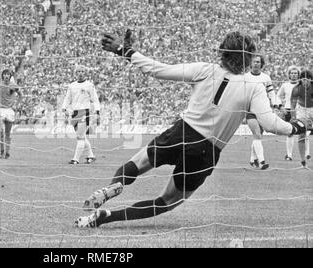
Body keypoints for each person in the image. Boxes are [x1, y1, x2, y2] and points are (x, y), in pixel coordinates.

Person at [74, 30, 306, 228]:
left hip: (180, 132)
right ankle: (105, 217)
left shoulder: (205, 69)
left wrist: (125, 50)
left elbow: (158, 69)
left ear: (222, 52)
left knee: (137, 164)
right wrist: (296, 127)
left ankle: (117, 185)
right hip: (206, 150)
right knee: (168, 201)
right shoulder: (253, 86)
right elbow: (270, 123)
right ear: (248, 58)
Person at [62, 65, 101, 164]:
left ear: (85, 73)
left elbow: (95, 99)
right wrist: (64, 108)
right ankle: (91, 156)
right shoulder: (72, 85)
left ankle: (75, 159)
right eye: (78, 71)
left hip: (84, 112)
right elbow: (68, 98)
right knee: (82, 136)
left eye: (82, 71)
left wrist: (97, 112)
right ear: (75, 73)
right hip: (75, 113)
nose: (80, 73)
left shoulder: (89, 85)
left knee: (80, 137)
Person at [245, 55, 276, 170]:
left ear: (261, 64)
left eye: (258, 62)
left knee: (258, 136)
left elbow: (271, 92)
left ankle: (252, 159)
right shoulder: (245, 77)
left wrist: (276, 103)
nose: (256, 64)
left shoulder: (266, 77)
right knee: (257, 134)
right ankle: (262, 162)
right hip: (250, 110)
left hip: (263, 110)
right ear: (250, 63)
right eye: (254, 61)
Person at [277, 66, 310, 161]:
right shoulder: (285, 85)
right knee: (290, 133)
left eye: (296, 73)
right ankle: (289, 155)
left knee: (304, 133)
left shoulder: (304, 85)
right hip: (289, 110)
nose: (294, 75)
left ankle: (307, 154)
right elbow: (278, 96)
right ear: (289, 74)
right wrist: (281, 107)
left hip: (301, 111)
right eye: (292, 73)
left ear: (298, 75)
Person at [290, 70, 313, 168]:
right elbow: (293, 104)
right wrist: (293, 117)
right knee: (302, 133)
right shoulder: (296, 89)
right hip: (302, 110)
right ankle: (303, 160)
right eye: (303, 79)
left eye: (307, 79)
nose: (305, 81)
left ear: (311, 80)